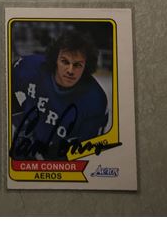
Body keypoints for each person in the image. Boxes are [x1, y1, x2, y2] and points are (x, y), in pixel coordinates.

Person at [11, 30, 108, 160]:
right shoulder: (30, 67)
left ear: (86, 66)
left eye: (77, 65)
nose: (70, 70)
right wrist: (18, 118)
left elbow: (87, 149)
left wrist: (52, 155)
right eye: (65, 61)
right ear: (55, 59)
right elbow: (1, 81)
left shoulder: (95, 100)